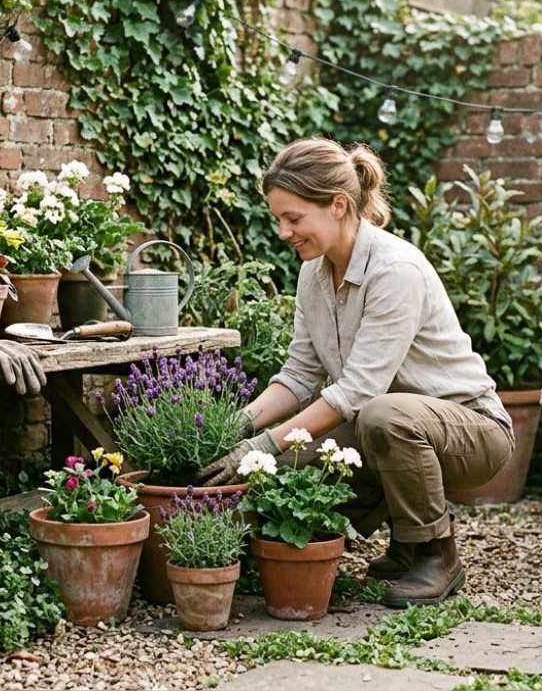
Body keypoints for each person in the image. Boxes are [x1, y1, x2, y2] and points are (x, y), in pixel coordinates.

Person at [198, 137, 515, 608]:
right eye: (278, 219)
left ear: (339, 205)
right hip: (383, 425)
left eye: (294, 218)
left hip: (472, 431)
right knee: (281, 477)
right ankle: (402, 544)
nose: (284, 232)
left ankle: (435, 551)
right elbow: (300, 375)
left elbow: (358, 393)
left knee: (383, 416)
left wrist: (263, 444)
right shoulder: (315, 272)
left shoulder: (395, 270)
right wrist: (238, 429)